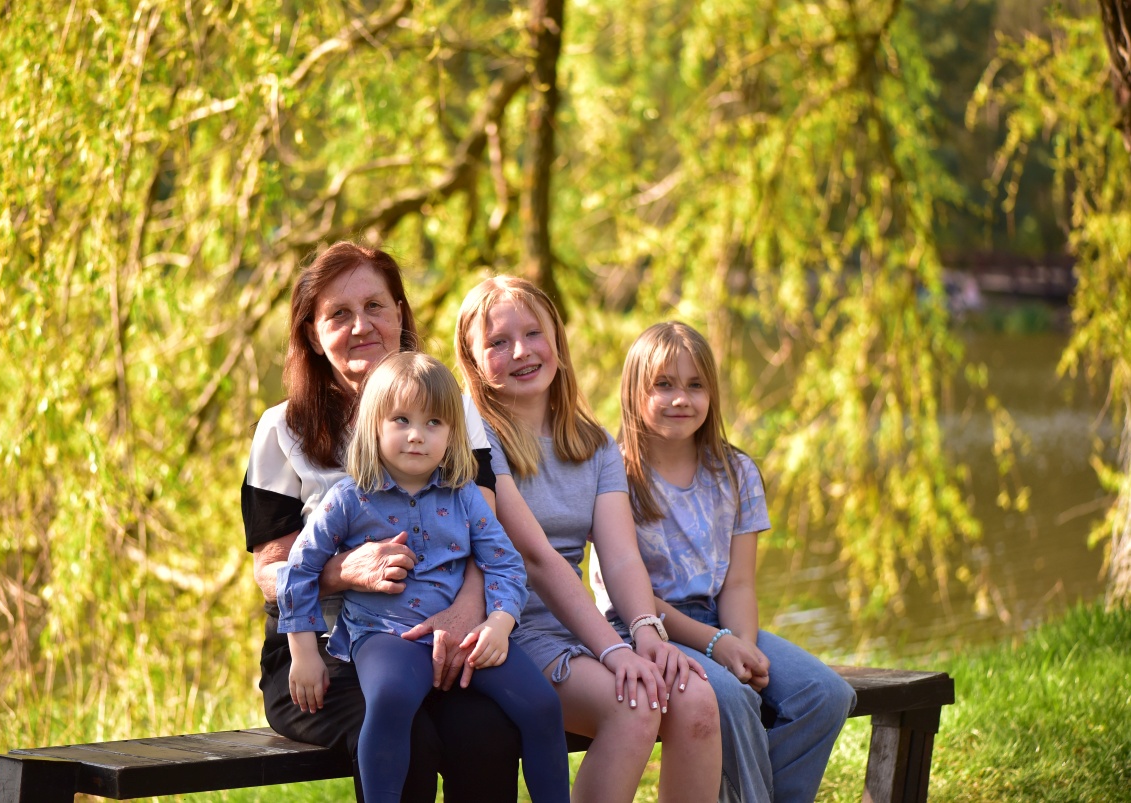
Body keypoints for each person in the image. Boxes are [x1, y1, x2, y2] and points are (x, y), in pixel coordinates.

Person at [241, 242, 523, 802]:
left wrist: (464, 614)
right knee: (408, 741)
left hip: (439, 633)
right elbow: (270, 573)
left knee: (488, 735)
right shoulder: (281, 429)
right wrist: (344, 571)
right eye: (338, 314)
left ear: (400, 314)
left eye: (374, 306)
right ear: (312, 335)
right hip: (321, 654)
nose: (361, 326)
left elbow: (485, 536)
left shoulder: (451, 409)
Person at [455, 276, 722, 803]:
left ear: (558, 339)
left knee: (696, 701)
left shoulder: (594, 445)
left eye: (534, 333)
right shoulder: (477, 442)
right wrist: (615, 652)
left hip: (580, 624)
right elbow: (535, 560)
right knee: (635, 705)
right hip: (511, 627)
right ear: (473, 361)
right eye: (498, 342)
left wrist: (645, 632)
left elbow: (620, 558)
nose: (521, 351)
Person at [277, 352, 570, 803]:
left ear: (452, 434)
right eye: (401, 420)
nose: (417, 435)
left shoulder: (464, 496)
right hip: (385, 635)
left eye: (434, 422)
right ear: (374, 425)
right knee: (391, 699)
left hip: (464, 640)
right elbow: (298, 569)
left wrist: (499, 623)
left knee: (542, 705)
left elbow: (505, 563)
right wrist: (303, 652)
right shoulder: (349, 498)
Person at [595, 321, 856, 803]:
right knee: (730, 699)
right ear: (634, 392)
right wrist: (718, 645)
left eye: (696, 385)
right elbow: (629, 594)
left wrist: (743, 648)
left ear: (712, 393)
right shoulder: (614, 475)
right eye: (664, 384)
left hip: (718, 619)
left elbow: (738, 585)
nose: (681, 398)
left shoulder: (736, 472)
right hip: (641, 628)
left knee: (825, 695)